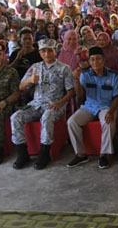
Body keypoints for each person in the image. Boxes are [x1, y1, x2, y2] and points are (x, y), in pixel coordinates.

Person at [10, 39, 75, 170]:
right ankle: (22, 154)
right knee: (15, 117)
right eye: (43, 51)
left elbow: (71, 91)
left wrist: (60, 102)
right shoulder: (35, 67)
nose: (46, 53)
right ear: (39, 53)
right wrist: (30, 80)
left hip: (54, 104)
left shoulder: (64, 68)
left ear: (55, 51)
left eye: (49, 50)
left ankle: (44, 153)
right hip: (36, 104)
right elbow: (21, 86)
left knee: (47, 117)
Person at [66, 47, 118, 169]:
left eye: (98, 59)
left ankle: (104, 155)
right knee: (71, 122)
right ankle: (80, 154)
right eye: (92, 60)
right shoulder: (85, 75)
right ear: (89, 62)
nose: (95, 62)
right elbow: (80, 95)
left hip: (107, 106)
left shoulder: (113, 75)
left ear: (103, 60)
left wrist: (111, 112)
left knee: (108, 122)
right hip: (89, 106)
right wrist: (76, 81)